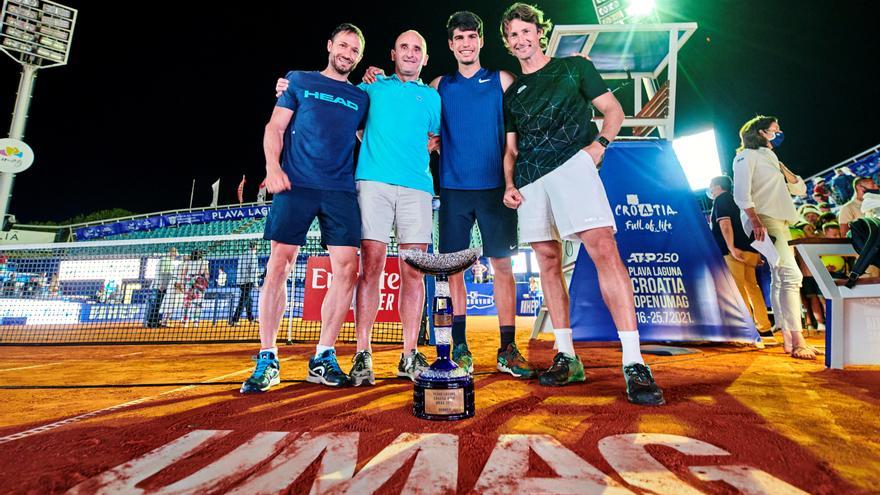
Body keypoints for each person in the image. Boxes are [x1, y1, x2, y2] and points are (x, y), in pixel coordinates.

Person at [354, 12, 537, 379]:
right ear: (450, 45)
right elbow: (384, 127)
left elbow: (522, 115)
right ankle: (459, 348)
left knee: (500, 267)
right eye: (459, 38)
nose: (466, 44)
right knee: (449, 270)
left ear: (480, 41)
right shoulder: (437, 86)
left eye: (472, 37)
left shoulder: (499, 80)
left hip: (493, 190)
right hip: (450, 191)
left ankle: (507, 348)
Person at [499, 3, 664, 405]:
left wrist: (599, 146)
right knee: (549, 265)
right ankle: (567, 355)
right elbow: (511, 149)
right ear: (507, 43)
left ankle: (634, 361)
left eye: (526, 31)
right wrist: (509, 183)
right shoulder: (512, 93)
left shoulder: (575, 67)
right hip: (530, 182)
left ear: (540, 32)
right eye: (513, 35)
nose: (521, 40)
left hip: (573, 167)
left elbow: (613, 111)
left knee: (604, 251)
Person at [240, 23, 370, 394]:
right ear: (329, 45)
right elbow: (275, 127)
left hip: (340, 190)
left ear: (359, 58)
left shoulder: (362, 97)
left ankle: (323, 356)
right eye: (342, 45)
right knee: (278, 264)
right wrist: (272, 168)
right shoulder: (298, 80)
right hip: (295, 185)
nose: (347, 53)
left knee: (348, 268)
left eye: (354, 50)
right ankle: (268, 358)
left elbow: (371, 136)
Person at [732, 115, 816, 359]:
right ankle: (798, 340)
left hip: (781, 221)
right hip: (765, 220)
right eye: (774, 130)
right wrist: (756, 221)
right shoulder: (745, 156)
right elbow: (741, 193)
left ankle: (790, 339)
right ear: (760, 133)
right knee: (790, 275)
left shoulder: (770, 157)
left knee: (782, 278)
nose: (779, 133)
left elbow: (800, 188)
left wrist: (780, 166)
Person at [708, 175, 773, 338]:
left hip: (734, 251)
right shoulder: (740, 200)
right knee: (753, 288)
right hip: (749, 249)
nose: (710, 190)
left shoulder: (721, 199)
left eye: (711, 186)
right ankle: (764, 327)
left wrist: (731, 247)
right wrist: (757, 252)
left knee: (738, 290)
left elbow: (725, 225)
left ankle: (747, 329)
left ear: (717, 187)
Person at [146, 247, 178, 328]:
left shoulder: (169, 261)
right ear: (171, 252)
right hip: (161, 286)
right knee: (157, 304)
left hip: (166, 286)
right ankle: (151, 322)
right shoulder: (164, 260)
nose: (175, 255)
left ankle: (156, 321)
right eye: (174, 253)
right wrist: (160, 284)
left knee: (160, 305)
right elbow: (160, 273)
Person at [229, 241, 259, 326]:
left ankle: (251, 318)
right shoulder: (253, 256)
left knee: (249, 300)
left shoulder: (243, 255)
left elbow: (240, 269)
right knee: (242, 301)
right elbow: (253, 271)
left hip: (241, 282)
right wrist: (255, 283)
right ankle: (234, 320)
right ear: (255, 247)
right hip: (248, 282)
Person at [181, 250, 209, 327]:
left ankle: (185, 321)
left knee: (187, 302)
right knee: (198, 303)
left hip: (188, 281)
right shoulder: (204, 262)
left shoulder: (188, 262)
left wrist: (182, 284)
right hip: (199, 282)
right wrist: (206, 283)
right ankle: (196, 321)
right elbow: (207, 274)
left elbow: (183, 274)